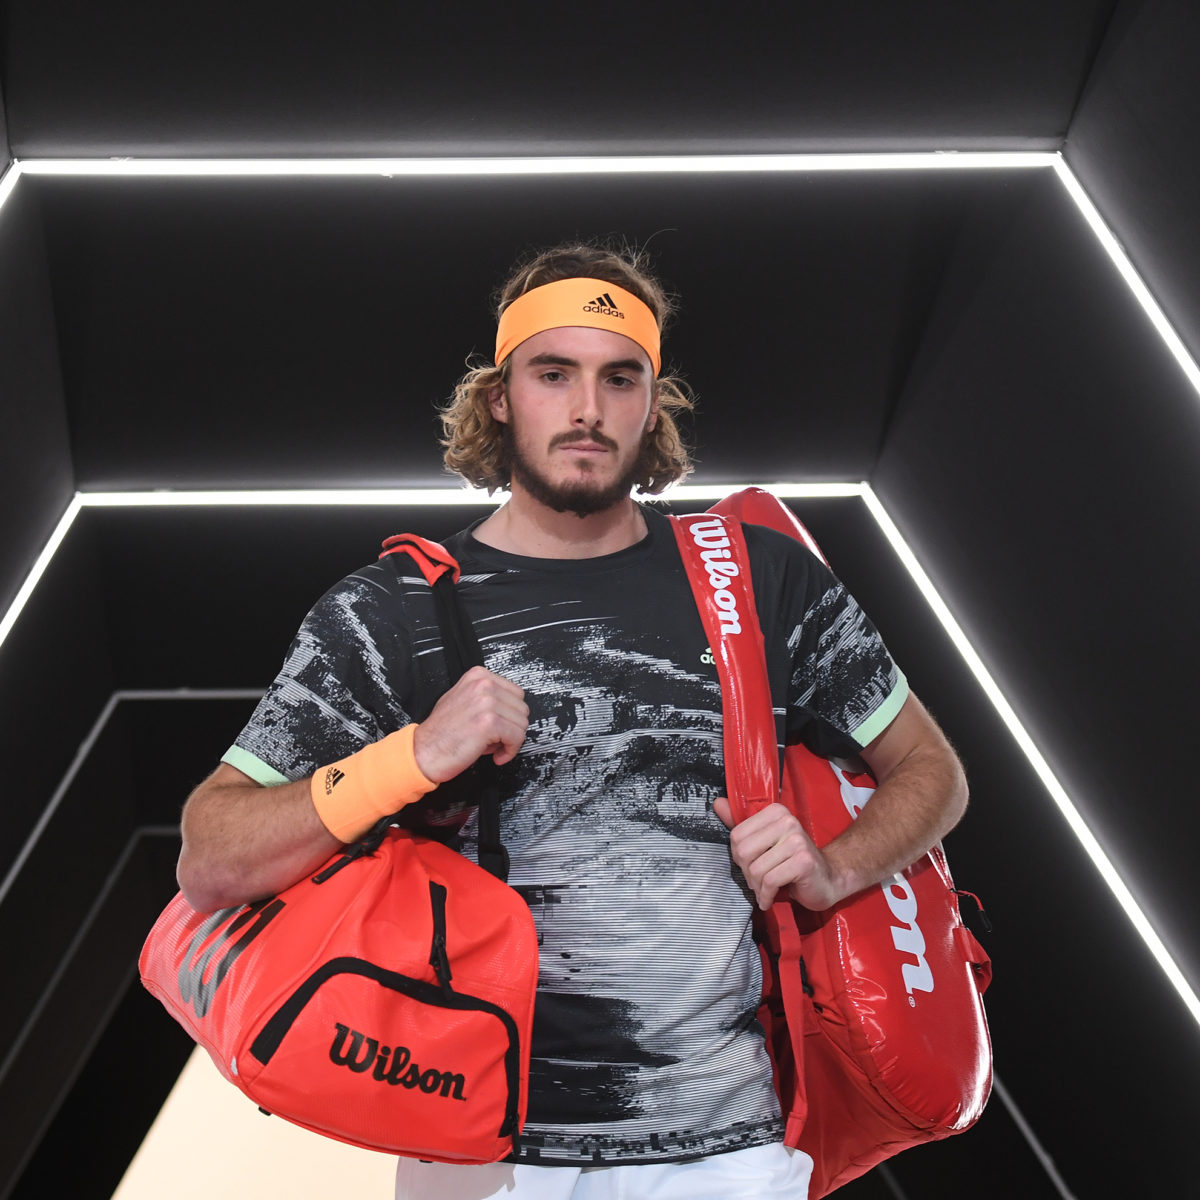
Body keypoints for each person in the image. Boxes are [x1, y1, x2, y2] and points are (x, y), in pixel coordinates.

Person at [177, 240, 968, 1200]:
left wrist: (835, 866)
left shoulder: (757, 579)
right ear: (499, 398)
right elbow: (212, 857)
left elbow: (932, 770)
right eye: (553, 374)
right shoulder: (389, 610)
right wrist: (412, 757)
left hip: (724, 1150)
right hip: (475, 1150)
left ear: (652, 404)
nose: (587, 408)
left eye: (619, 378)